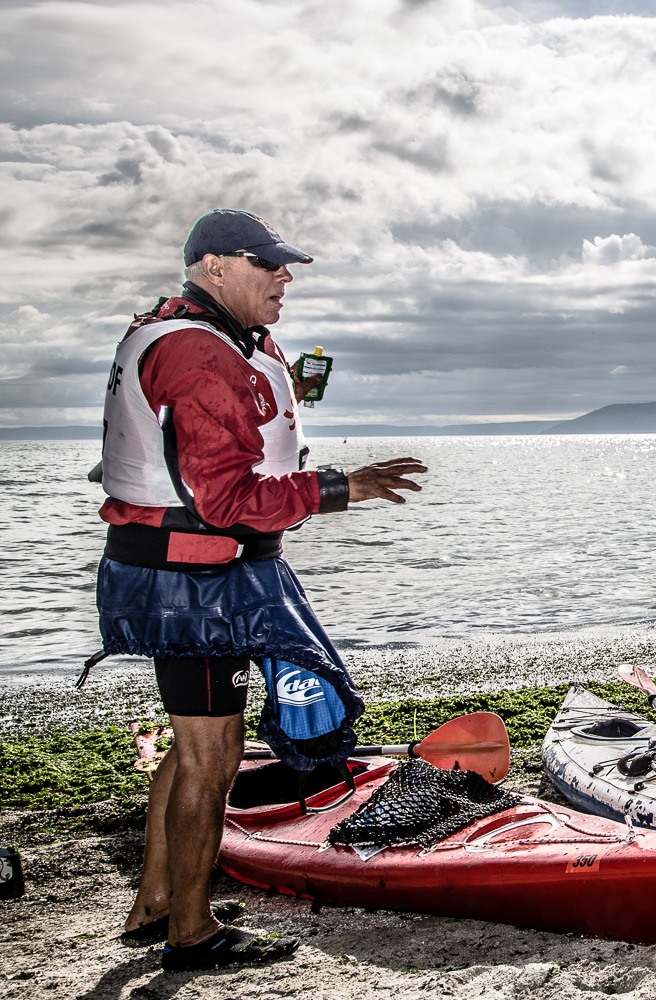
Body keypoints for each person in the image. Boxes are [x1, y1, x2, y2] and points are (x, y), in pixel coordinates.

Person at [98, 209, 427, 971]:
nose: (285, 276)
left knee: (193, 747)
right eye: (267, 264)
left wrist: (288, 398)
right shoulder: (197, 353)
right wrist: (348, 486)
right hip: (195, 580)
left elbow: (230, 437)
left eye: (287, 266)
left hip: (183, 568)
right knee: (213, 754)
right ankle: (192, 931)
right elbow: (226, 500)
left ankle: (156, 898)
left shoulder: (205, 335)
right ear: (214, 268)